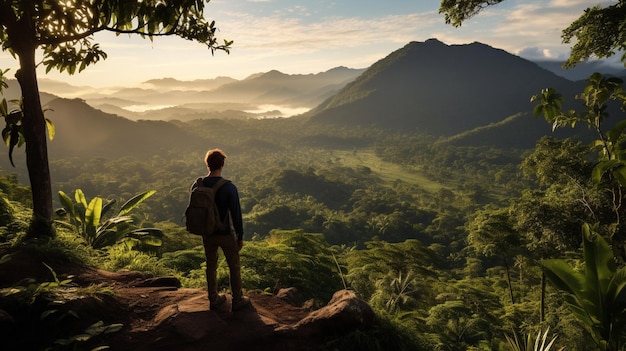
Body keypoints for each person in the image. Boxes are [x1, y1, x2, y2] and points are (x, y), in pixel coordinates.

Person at [194, 148, 249, 311]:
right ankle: (237, 299)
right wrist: (240, 236)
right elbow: (236, 214)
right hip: (225, 234)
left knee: (211, 266)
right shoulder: (229, 187)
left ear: (207, 164)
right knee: (234, 266)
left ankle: (213, 298)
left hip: (207, 233)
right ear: (222, 164)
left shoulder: (198, 184)